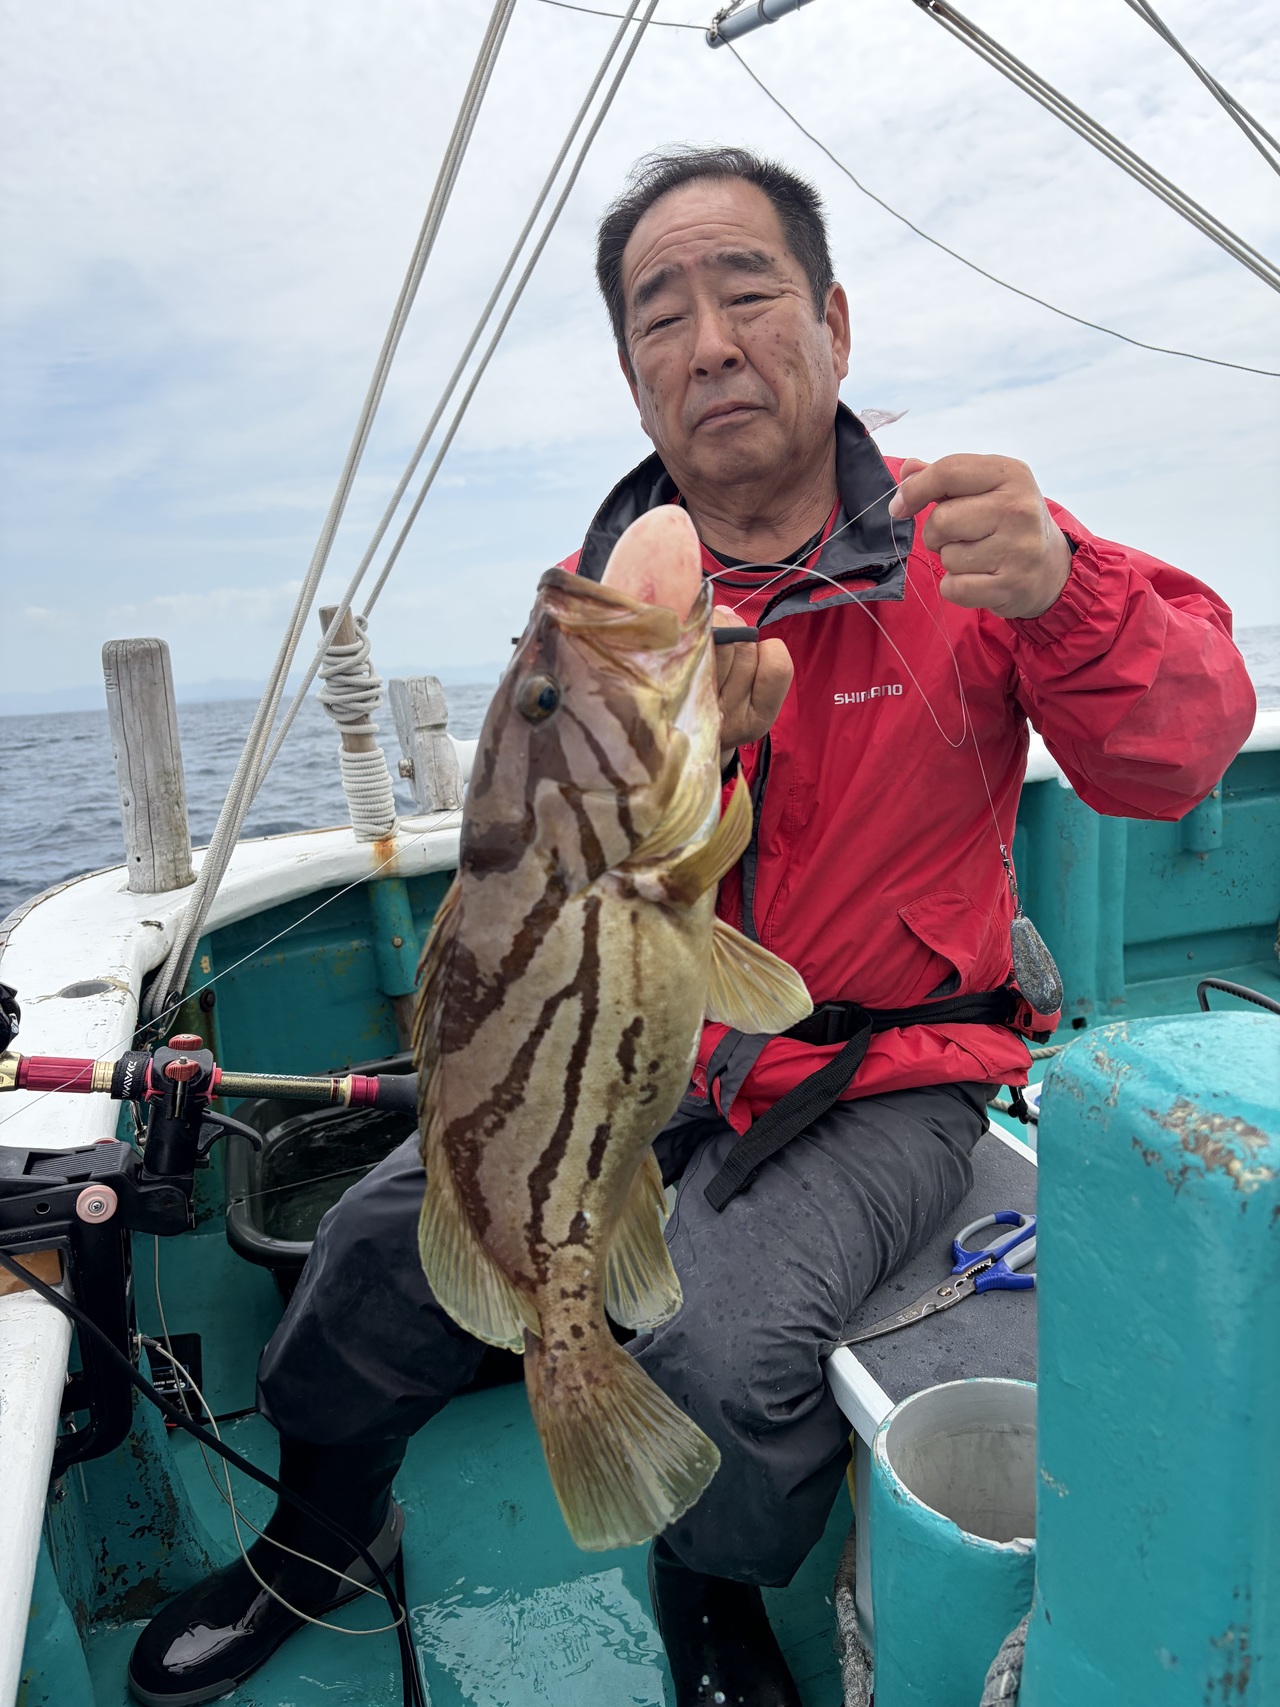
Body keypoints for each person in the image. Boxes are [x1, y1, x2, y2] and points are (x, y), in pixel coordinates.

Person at [127, 146, 1256, 1707]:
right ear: (634, 373)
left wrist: (1064, 591)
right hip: (644, 1042)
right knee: (373, 1255)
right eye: (662, 314)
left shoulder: (977, 549)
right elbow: (543, 871)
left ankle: (710, 1587)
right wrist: (700, 737)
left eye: (749, 292)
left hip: (882, 1070)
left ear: (834, 325)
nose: (711, 341)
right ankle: (322, 1533)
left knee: (721, 1361)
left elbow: (1174, 757)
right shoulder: (606, 601)